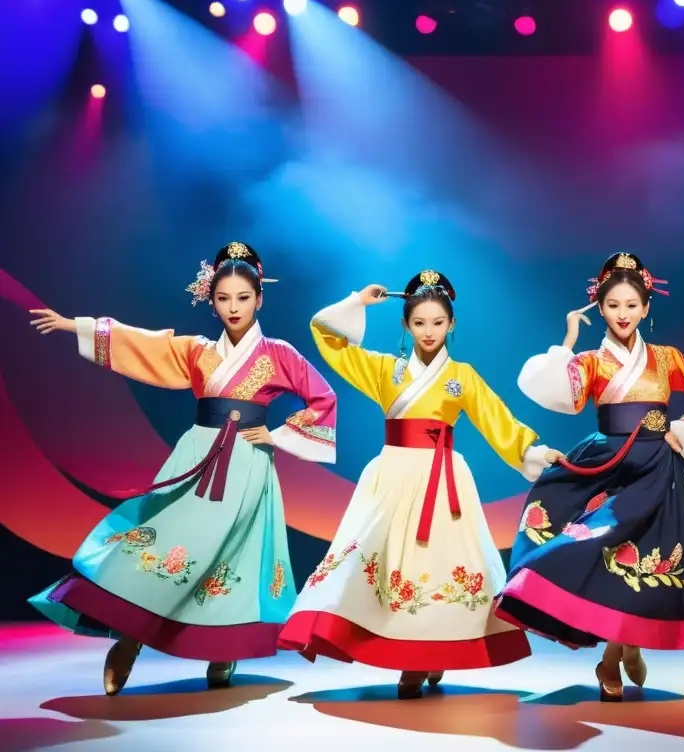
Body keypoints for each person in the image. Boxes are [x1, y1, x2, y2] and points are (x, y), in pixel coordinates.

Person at [27, 242, 337, 695]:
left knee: (232, 554)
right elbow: (142, 343)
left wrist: (280, 435)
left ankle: (223, 649)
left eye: (243, 298)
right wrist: (76, 325)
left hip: (248, 464)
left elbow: (323, 398)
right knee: (169, 542)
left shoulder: (279, 354)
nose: (234, 307)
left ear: (260, 299)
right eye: (224, 298)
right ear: (211, 301)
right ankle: (130, 638)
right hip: (196, 456)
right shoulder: (196, 351)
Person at [276, 270, 563, 699]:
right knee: (390, 562)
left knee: (441, 564)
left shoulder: (461, 376)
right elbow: (325, 335)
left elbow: (496, 420)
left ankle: (432, 650)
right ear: (405, 326)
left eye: (437, 323)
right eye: (419, 323)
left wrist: (532, 451)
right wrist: (358, 301)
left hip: (443, 480)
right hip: (394, 473)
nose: (429, 332)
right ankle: (407, 651)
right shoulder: (384, 370)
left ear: (451, 325)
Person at [494, 252, 684, 702]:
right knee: (598, 550)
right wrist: (566, 340)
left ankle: (614, 655)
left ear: (646, 308)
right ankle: (619, 649)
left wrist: (683, 432)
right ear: (600, 309)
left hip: (658, 465)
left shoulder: (667, 357)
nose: (623, 314)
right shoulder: (590, 361)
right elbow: (555, 393)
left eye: (631, 304)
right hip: (610, 462)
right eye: (613, 305)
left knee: (647, 555)